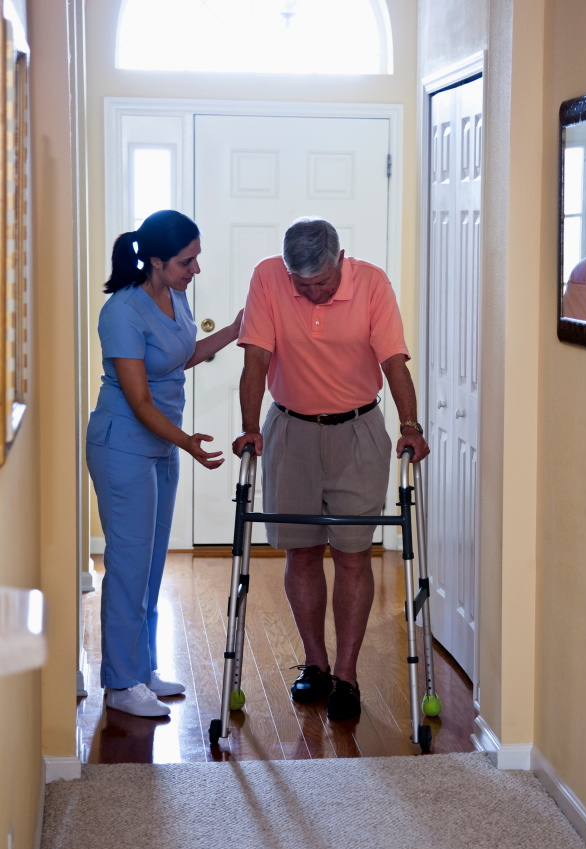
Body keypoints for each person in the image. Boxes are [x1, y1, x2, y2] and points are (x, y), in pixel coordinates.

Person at [233, 217, 429, 721]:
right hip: (290, 430)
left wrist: (410, 424)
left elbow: (394, 363)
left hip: (358, 430)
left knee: (351, 555)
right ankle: (315, 665)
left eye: (321, 283)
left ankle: (347, 674)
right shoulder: (267, 277)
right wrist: (250, 425)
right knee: (301, 553)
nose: (313, 294)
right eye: (303, 286)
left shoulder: (373, 283)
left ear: (341, 260)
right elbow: (256, 358)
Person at [87, 209, 242, 718]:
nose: (195, 269)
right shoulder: (122, 312)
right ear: (155, 260)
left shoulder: (174, 296)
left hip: (160, 444)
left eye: (196, 259)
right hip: (124, 444)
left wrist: (238, 331)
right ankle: (120, 682)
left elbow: (182, 355)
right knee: (129, 565)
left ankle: (143, 667)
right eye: (186, 261)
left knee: (152, 564)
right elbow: (140, 401)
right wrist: (190, 444)